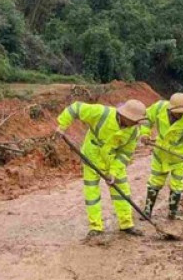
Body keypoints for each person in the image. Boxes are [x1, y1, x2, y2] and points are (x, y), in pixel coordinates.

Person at [56, 99, 147, 238]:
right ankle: (96, 227)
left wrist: (114, 172)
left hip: (112, 160)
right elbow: (75, 108)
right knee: (92, 193)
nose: (136, 124)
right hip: (92, 156)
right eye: (135, 121)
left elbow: (125, 153)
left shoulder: (134, 131)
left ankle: (126, 224)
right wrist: (62, 126)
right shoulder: (102, 113)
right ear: (125, 116)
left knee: (122, 191)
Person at [140, 93, 183, 220]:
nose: (181, 115)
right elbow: (146, 118)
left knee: (177, 184)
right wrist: (144, 134)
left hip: (179, 157)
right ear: (170, 109)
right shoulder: (159, 108)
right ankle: (147, 211)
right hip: (161, 154)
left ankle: (172, 214)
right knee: (155, 181)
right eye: (178, 113)